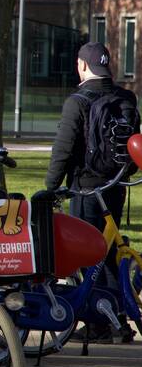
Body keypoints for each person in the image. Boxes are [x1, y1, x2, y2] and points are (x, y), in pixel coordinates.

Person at [45, 41, 139, 343]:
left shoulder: (78, 100)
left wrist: (50, 187)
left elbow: (63, 147)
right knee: (109, 252)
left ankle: (102, 323)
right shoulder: (126, 97)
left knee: (88, 254)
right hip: (116, 184)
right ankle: (116, 319)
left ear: (82, 65)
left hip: (85, 187)